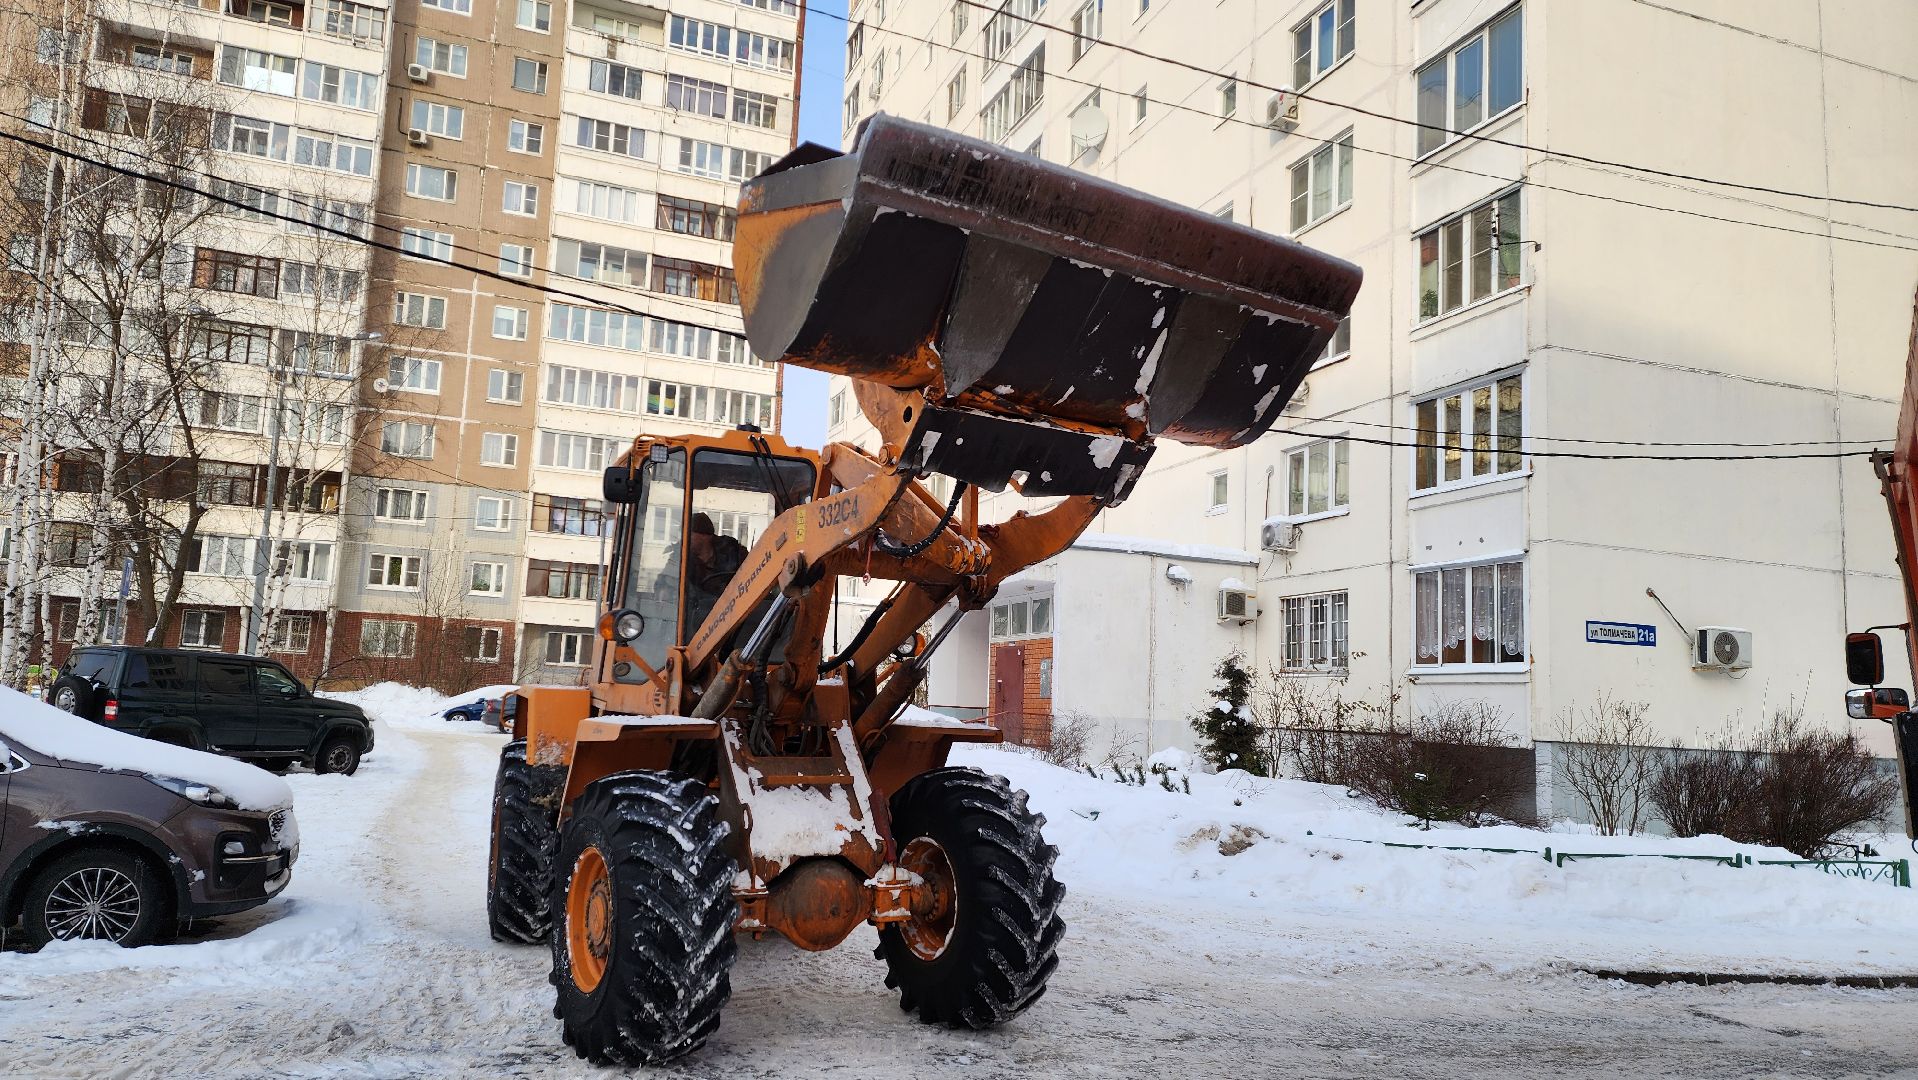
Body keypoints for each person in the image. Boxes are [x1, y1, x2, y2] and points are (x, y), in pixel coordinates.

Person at [667, 512, 747, 635]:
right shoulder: (679, 558)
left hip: (734, 619)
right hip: (692, 624)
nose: (684, 538)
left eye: (689, 534)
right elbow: (665, 584)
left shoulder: (735, 554)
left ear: (705, 536)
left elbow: (751, 578)